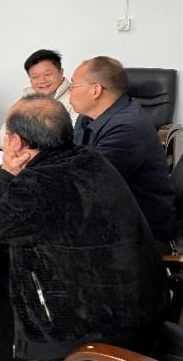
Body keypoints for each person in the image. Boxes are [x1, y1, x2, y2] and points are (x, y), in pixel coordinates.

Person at [0, 95, 167, 361]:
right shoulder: (92, 159)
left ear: (15, 142)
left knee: (8, 290)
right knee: (9, 266)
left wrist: (5, 171)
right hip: (145, 307)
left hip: (106, 334)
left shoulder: (38, 186)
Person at [70, 56, 177, 246]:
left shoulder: (127, 128)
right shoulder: (87, 118)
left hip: (138, 233)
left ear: (95, 90)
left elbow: (87, 181)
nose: (70, 92)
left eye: (73, 86)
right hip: (106, 213)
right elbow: (70, 160)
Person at [0, 49, 77, 147]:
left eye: (47, 74)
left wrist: (25, 141)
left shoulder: (76, 97)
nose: (42, 80)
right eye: (35, 77)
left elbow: (73, 137)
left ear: (61, 72)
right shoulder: (27, 100)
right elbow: (4, 138)